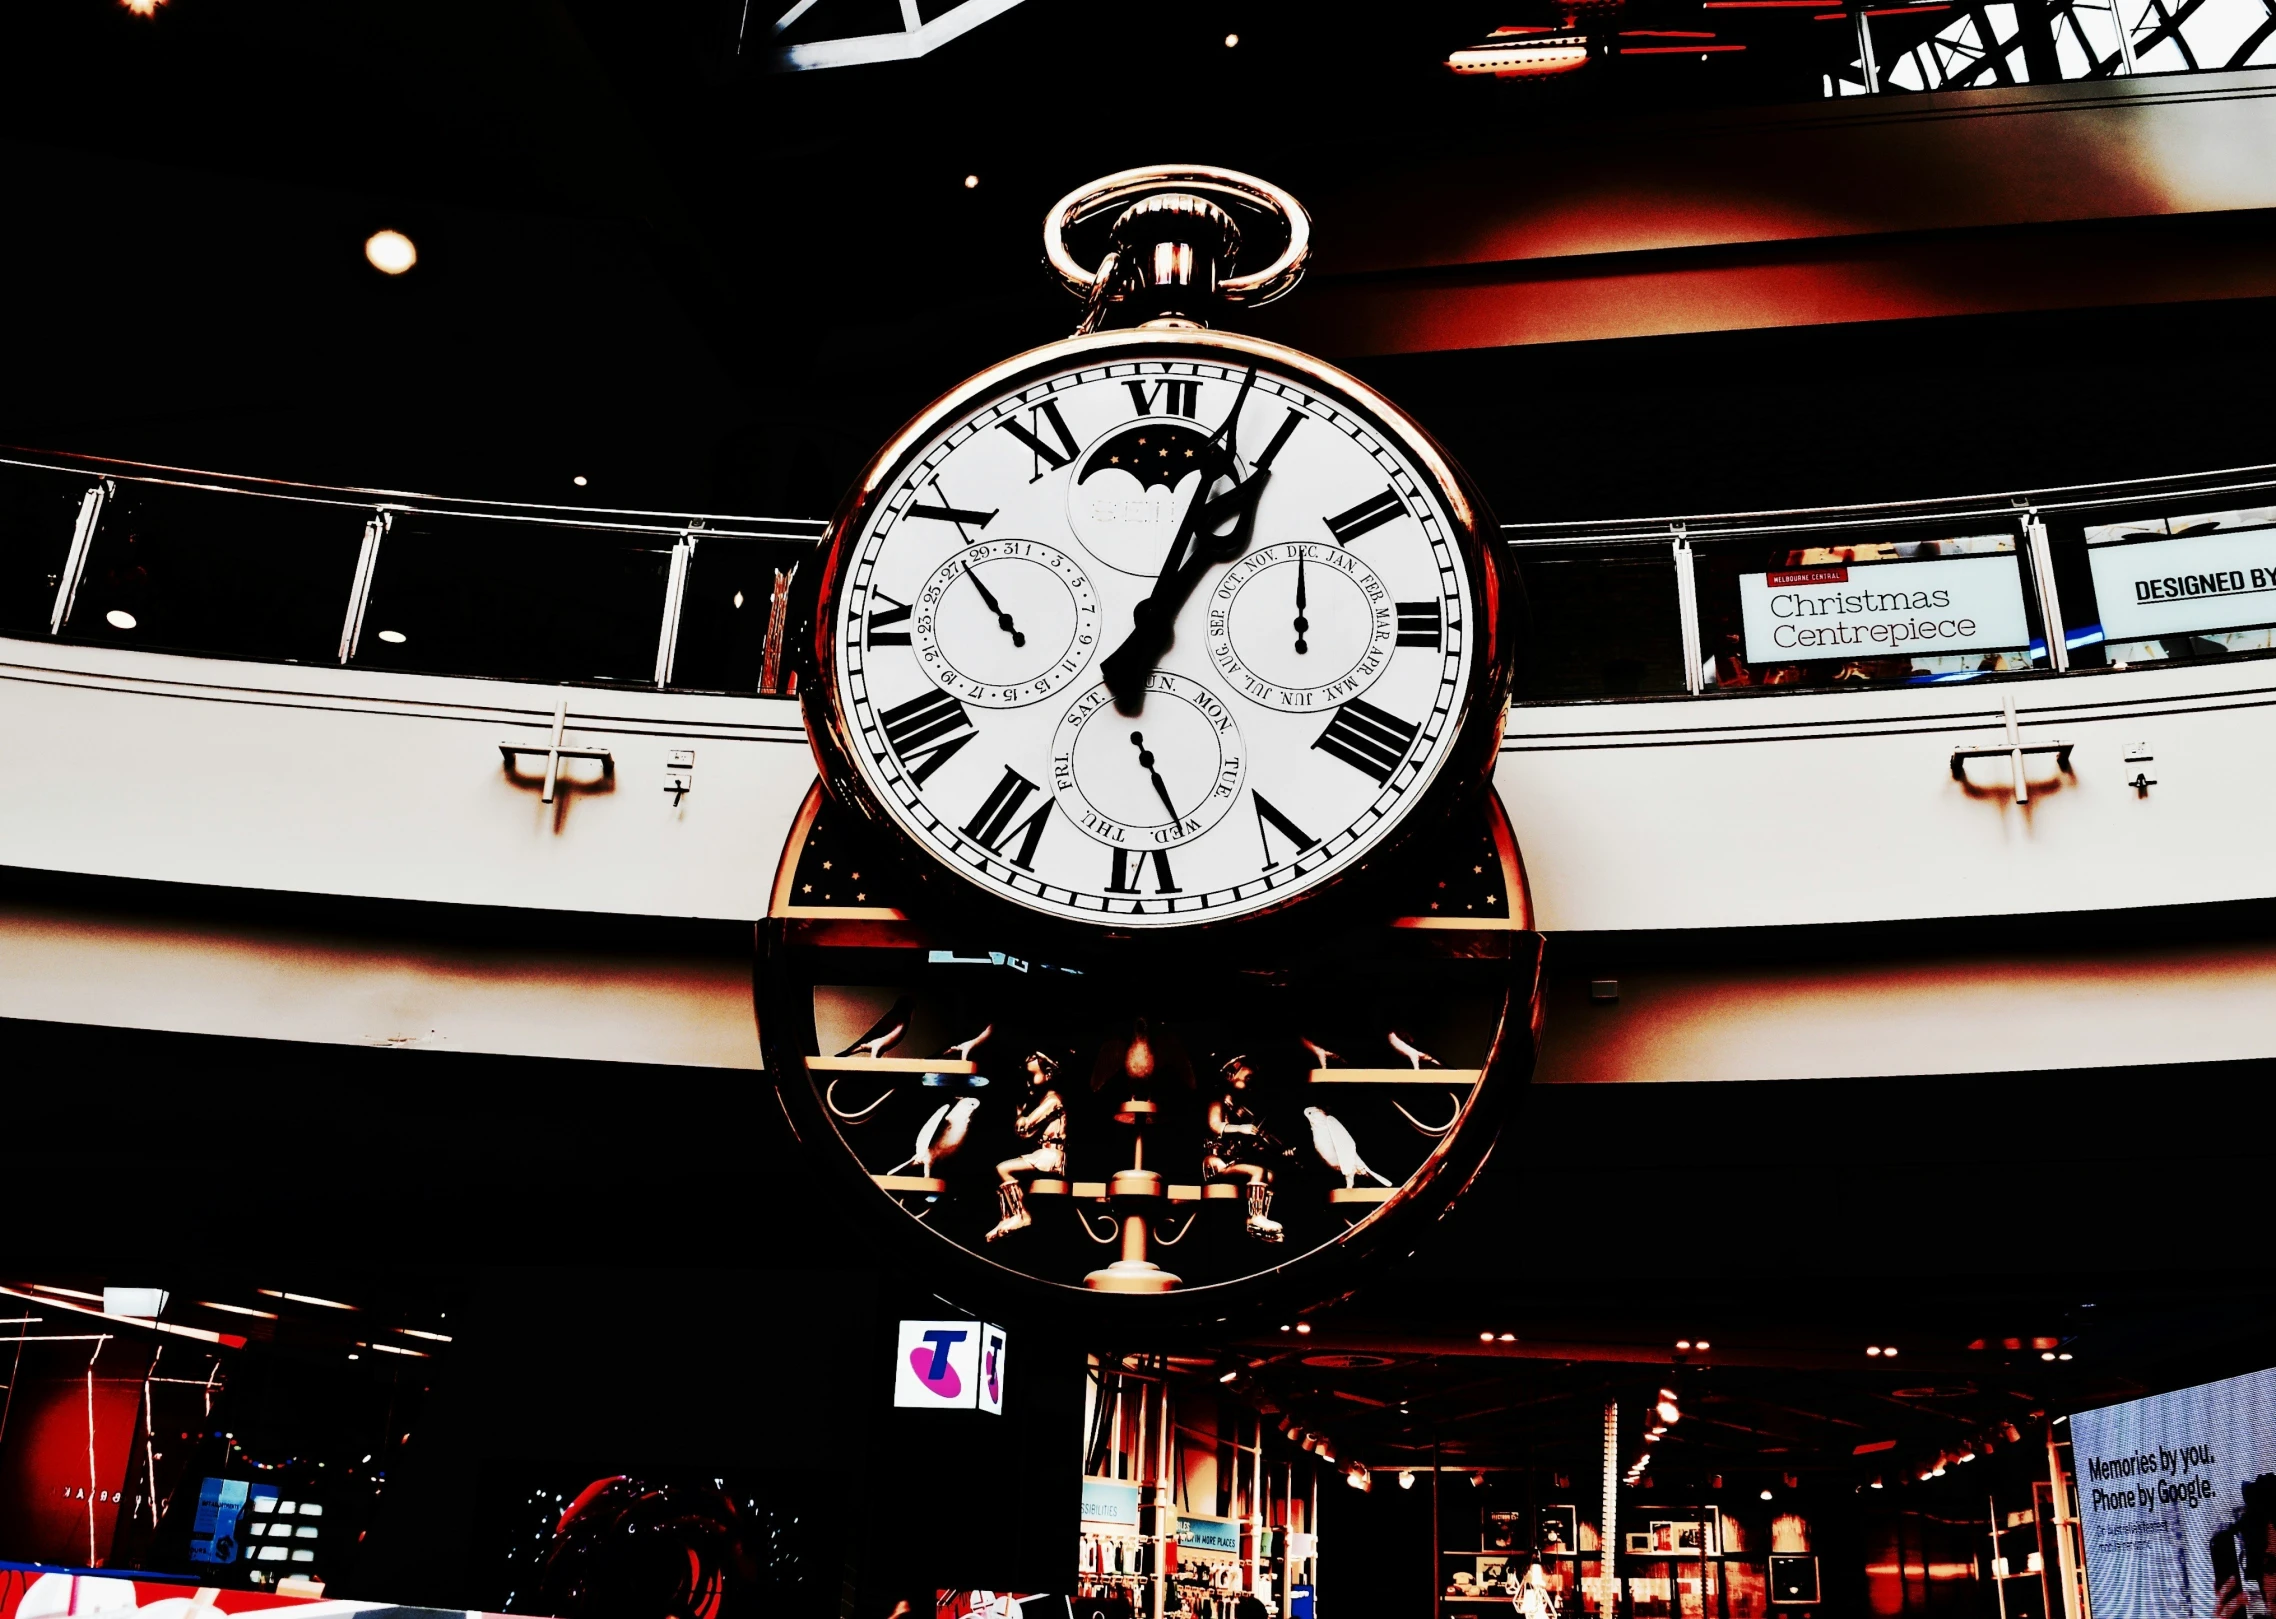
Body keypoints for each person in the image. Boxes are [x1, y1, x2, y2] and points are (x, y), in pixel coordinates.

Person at [985, 1050, 1066, 1242]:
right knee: (1004, 1170)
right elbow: (1025, 1132)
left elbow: (1026, 1128)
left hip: (1051, 1156)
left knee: (1004, 1168)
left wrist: (1021, 1117)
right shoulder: (1046, 1101)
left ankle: (1021, 1214)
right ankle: (1008, 1216)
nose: (1028, 1082)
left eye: (1031, 1076)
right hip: (1043, 1153)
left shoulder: (1053, 1102)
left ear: (1047, 1075)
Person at [1202, 1054, 1285, 1241]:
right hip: (1217, 1163)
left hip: (1231, 1161)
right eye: (1247, 1078)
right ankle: (1255, 1217)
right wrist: (1241, 1129)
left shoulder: (1236, 1109)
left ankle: (1259, 1216)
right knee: (1257, 1171)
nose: (1250, 1083)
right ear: (1231, 1074)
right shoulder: (1218, 1103)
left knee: (1269, 1175)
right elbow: (1215, 1126)